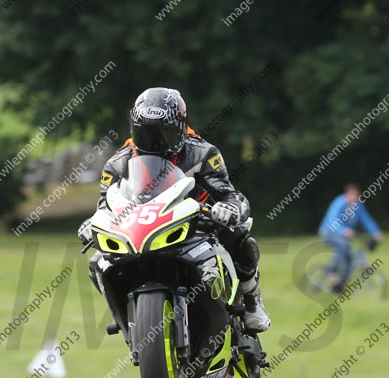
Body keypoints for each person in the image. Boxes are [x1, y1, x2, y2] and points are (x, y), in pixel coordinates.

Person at [77, 87, 270, 331]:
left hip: (197, 224)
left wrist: (228, 209)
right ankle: (128, 318)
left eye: (162, 133)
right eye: (145, 132)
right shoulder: (117, 163)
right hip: (140, 229)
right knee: (98, 262)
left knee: (241, 238)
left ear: (181, 127)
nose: (154, 141)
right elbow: (106, 204)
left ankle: (252, 300)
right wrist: (93, 222)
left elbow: (229, 193)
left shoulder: (203, 153)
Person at [318, 184, 383, 293]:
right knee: (343, 246)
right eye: (352, 196)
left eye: (356, 197)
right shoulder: (338, 203)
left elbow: (366, 220)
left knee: (350, 259)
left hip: (344, 235)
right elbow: (332, 221)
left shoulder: (358, 205)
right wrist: (343, 230)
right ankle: (332, 271)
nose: (354, 199)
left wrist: (376, 232)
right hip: (329, 232)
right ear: (346, 195)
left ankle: (339, 286)